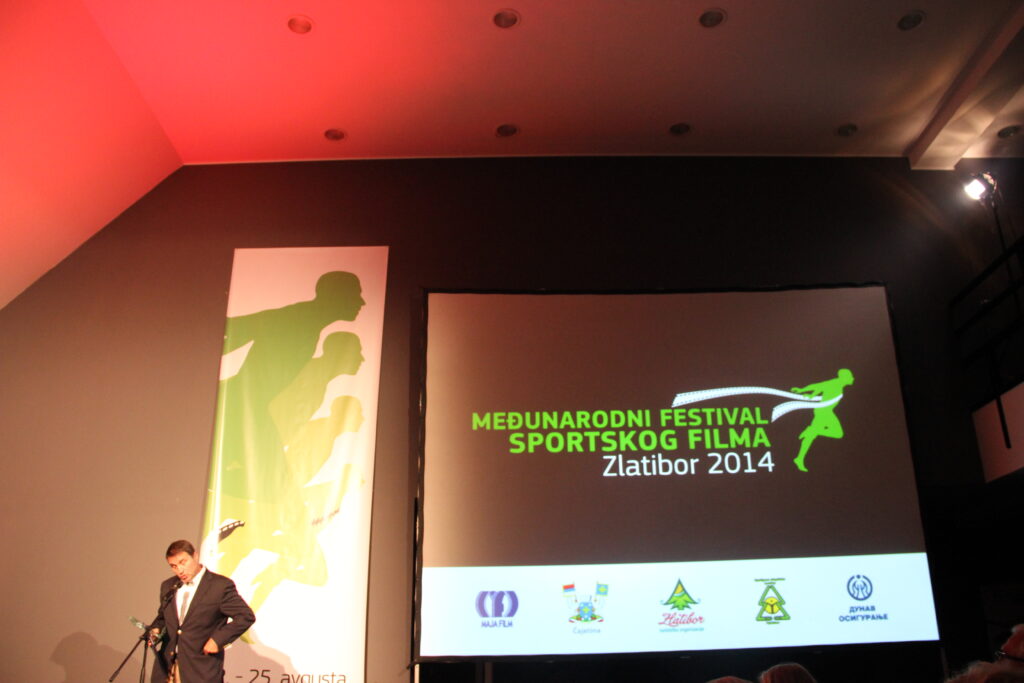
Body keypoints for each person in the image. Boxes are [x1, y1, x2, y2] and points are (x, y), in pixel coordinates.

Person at [149, 539, 255, 683]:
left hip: (199, 669)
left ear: (195, 556)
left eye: (183, 562)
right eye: (173, 566)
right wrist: (155, 630)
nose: (180, 570)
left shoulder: (219, 586)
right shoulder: (168, 586)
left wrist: (217, 640)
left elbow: (245, 616)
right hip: (166, 668)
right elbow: (163, 617)